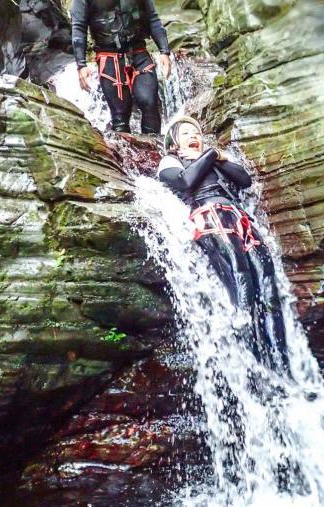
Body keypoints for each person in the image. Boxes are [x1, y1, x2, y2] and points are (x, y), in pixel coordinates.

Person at [157, 117, 291, 374]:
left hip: (240, 218)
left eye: (196, 132)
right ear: (173, 143)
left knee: (268, 284)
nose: (193, 136)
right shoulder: (170, 161)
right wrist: (210, 155)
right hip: (209, 215)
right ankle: (252, 365)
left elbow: (244, 180)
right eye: (185, 133)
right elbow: (184, 182)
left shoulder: (218, 161)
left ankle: (281, 365)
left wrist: (216, 156)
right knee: (240, 277)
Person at [70, 0, 171, 134]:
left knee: (149, 102)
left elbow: (152, 17)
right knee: (120, 116)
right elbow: (78, 27)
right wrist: (81, 65)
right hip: (109, 57)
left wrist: (164, 51)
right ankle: (124, 146)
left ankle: (154, 145)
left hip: (138, 52)